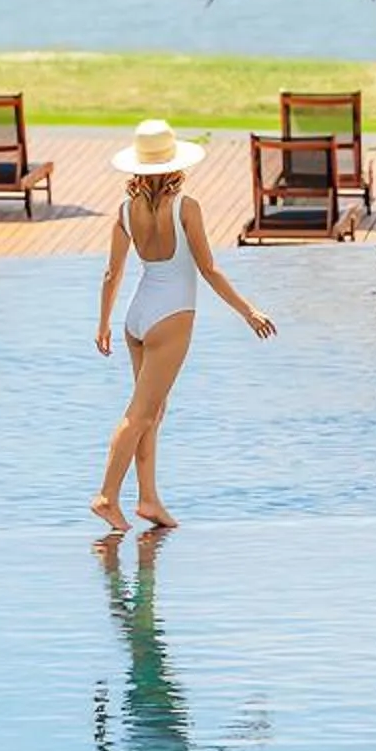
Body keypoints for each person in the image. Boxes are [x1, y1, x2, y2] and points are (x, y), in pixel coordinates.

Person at [92, 120, 273, 531]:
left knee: (152, 412)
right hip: (170, 317)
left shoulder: (125, 210)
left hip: (136, 317)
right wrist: (248, 311)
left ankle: (149, 499)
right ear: (174, 164)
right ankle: (107, 496)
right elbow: (208, 269)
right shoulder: (186, 207)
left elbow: (111, 273)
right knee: (140, 414)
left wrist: (103, 324)